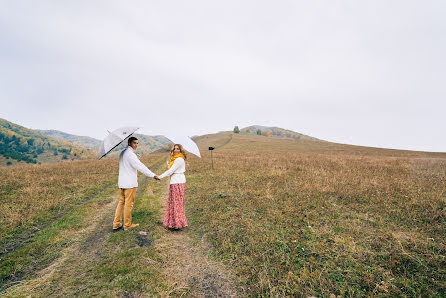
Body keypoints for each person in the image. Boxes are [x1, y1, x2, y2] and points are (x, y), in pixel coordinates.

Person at [113, 136, 160, 231]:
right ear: (129, 143)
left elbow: (130, 163)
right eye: (134, 143)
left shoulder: (123, 153)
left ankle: (116, 223)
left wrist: (136, 157)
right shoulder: (130, 154)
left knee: (121, 202)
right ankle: (127, 225)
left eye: (137, 143)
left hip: (122, 182)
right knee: (128, 204)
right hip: (129, 183)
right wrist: (152, 175)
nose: (136, 145)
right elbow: (140, 166)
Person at [158, 144, 188, 229]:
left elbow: (170, 171)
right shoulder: (175, 159)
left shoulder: (178, 159)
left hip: (177, 182)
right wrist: (169, 164)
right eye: (174, 149)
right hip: (176, 181)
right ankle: (174, 222)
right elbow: (172, 169)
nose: (175, 150)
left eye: (178, 149)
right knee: (175, 202)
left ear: (181, 150)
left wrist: (159, 177)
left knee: (177, 203)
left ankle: (177, 223)